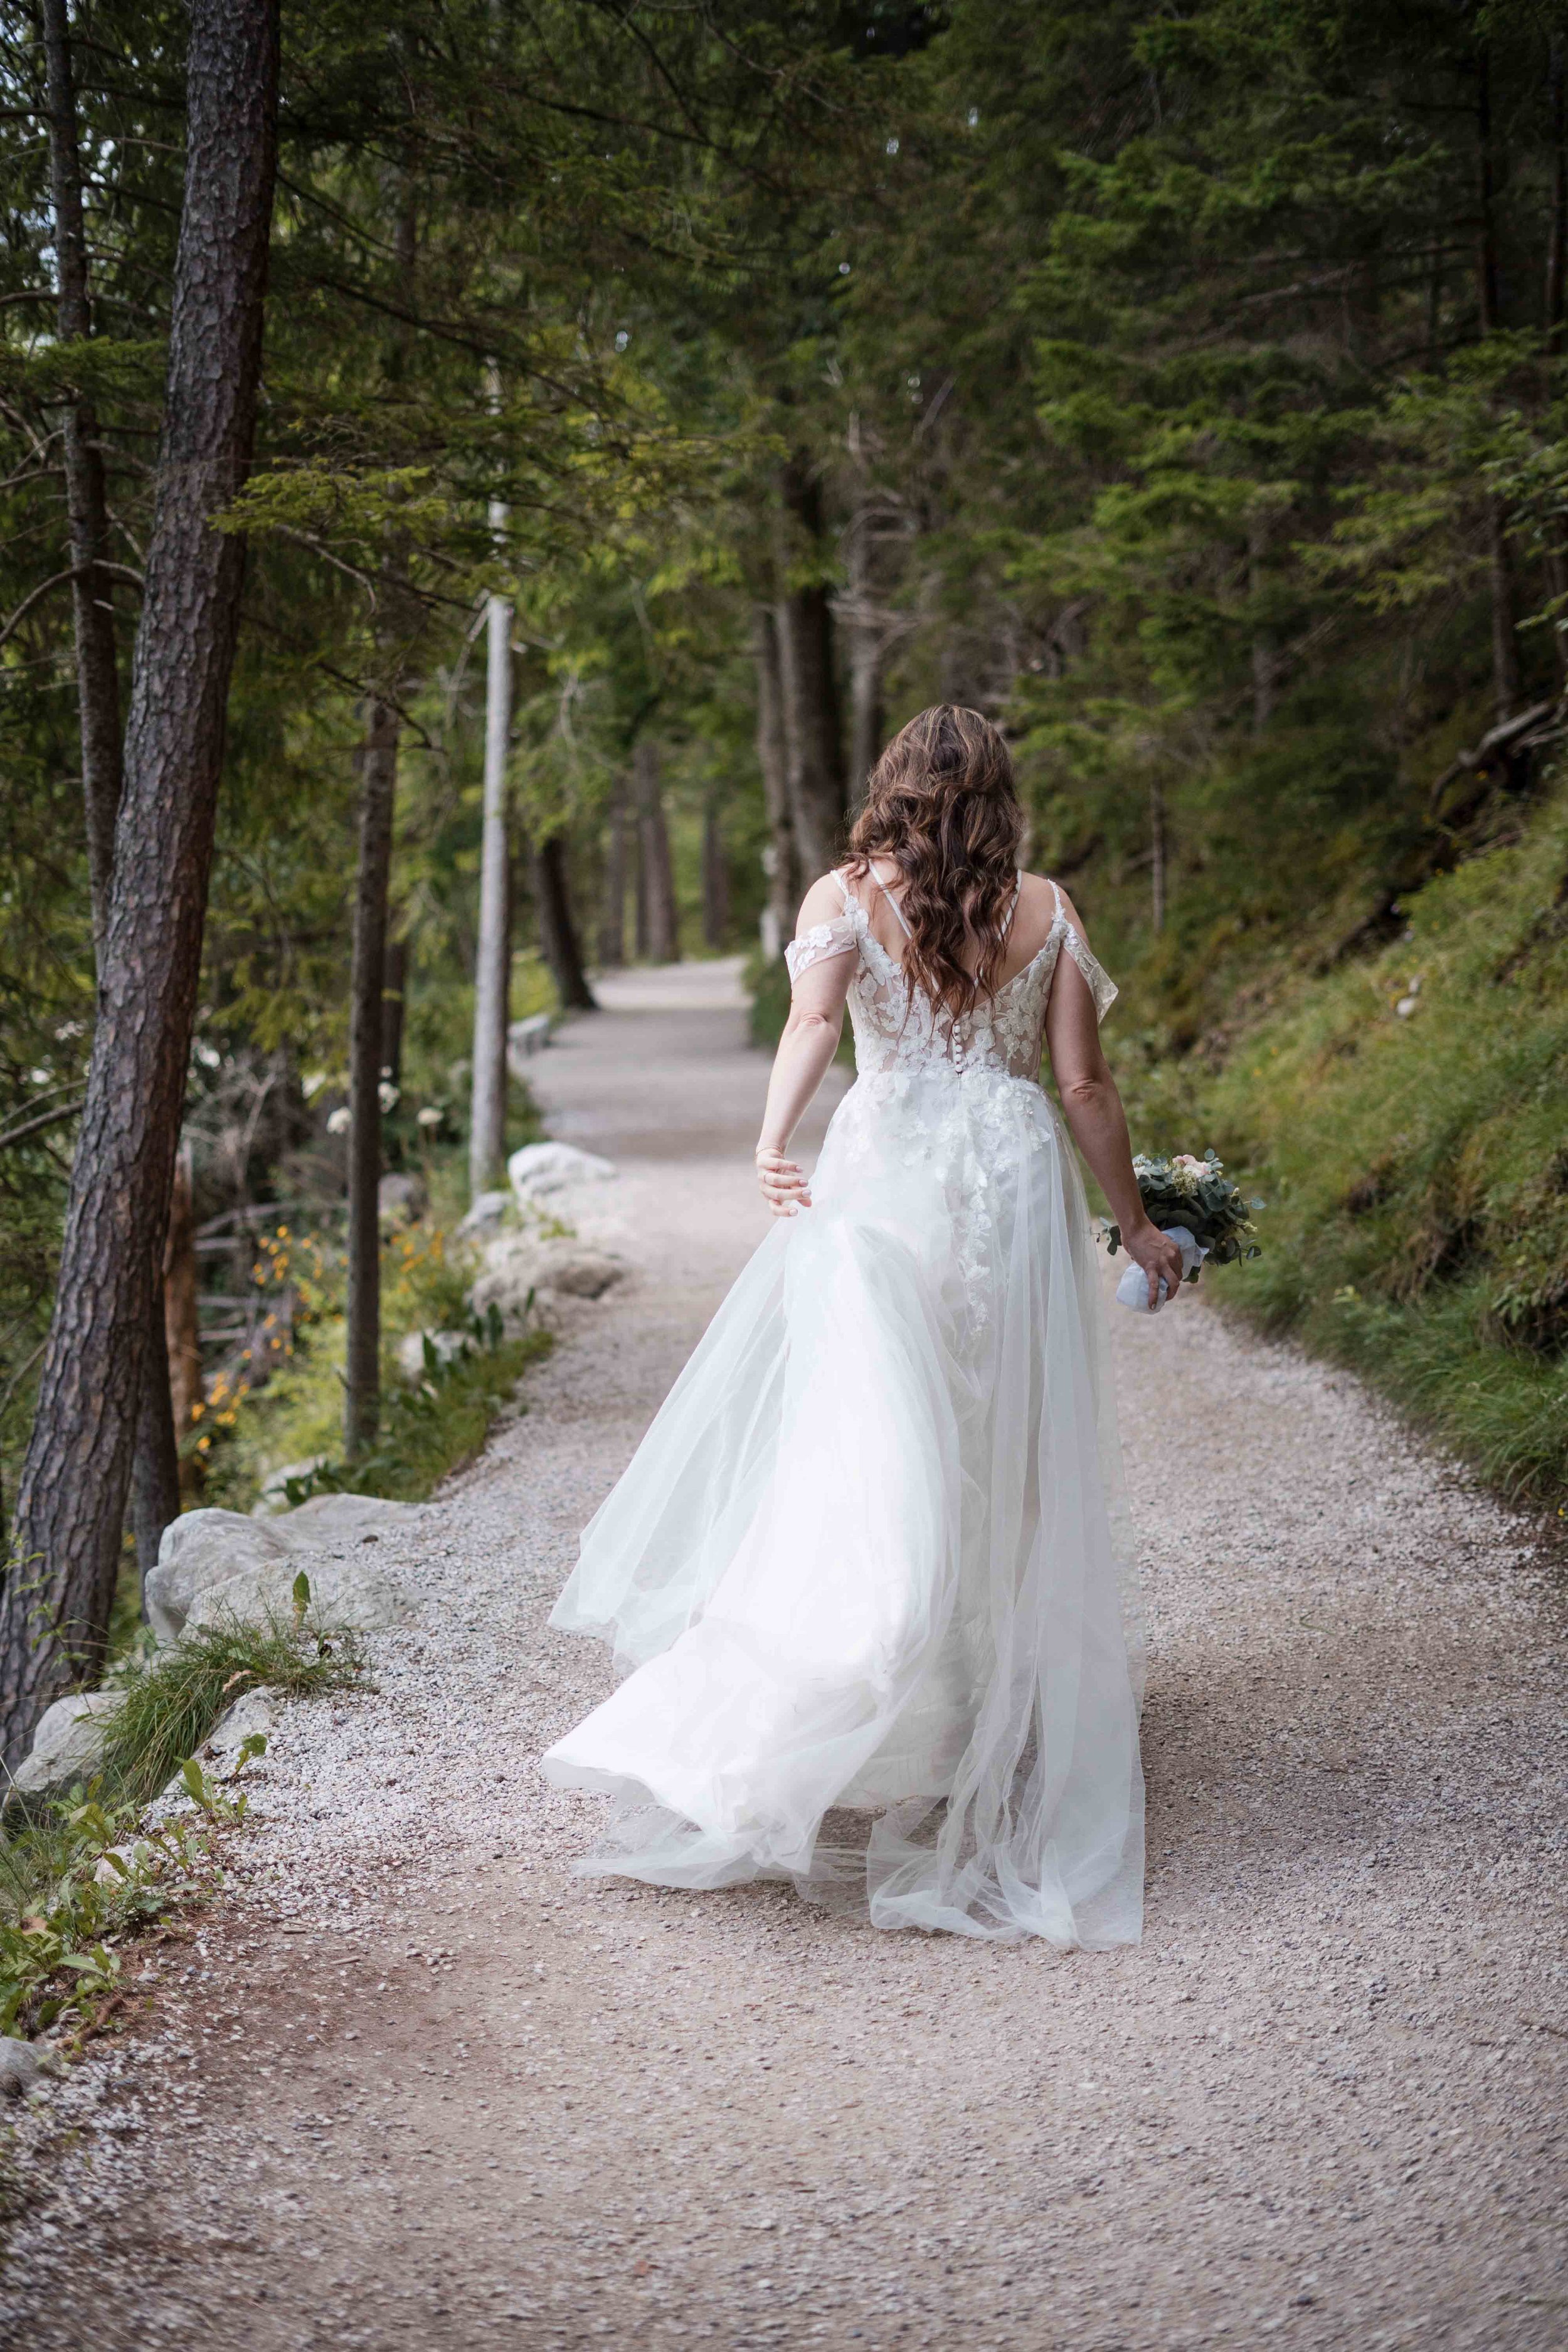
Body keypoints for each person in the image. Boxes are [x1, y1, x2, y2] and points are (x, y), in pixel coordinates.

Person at [542, 705, 1181, 1944]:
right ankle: (973, 1711)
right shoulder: (1045, 911)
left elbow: (814, 1027)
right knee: (998, 1447)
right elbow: (1084, 1088)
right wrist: (1136, 1225)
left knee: (870, 1442)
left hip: (885, 1172)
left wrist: (772, 1137)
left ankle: (874, 1699)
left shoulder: (841, 897)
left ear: (889, 787)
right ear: (1000, 797)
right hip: (1004, 1182)